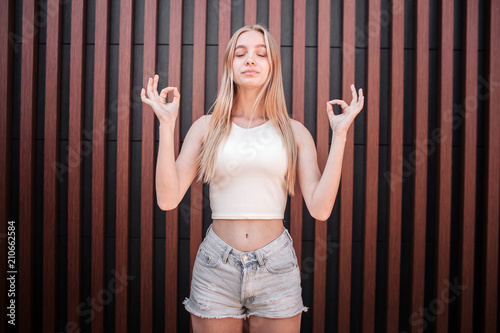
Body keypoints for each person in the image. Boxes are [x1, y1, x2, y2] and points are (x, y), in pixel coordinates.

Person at [141, 24, 363, 333]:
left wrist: (339, 136)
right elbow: (167, 199)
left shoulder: (294, 131)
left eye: (261, 54)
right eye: (240, 53)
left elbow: (320, 209)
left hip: (277, 265)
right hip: (216, 265)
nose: (250, 60)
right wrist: (166, 125)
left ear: (272, 67)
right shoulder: (206, 127)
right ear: (229, 66)